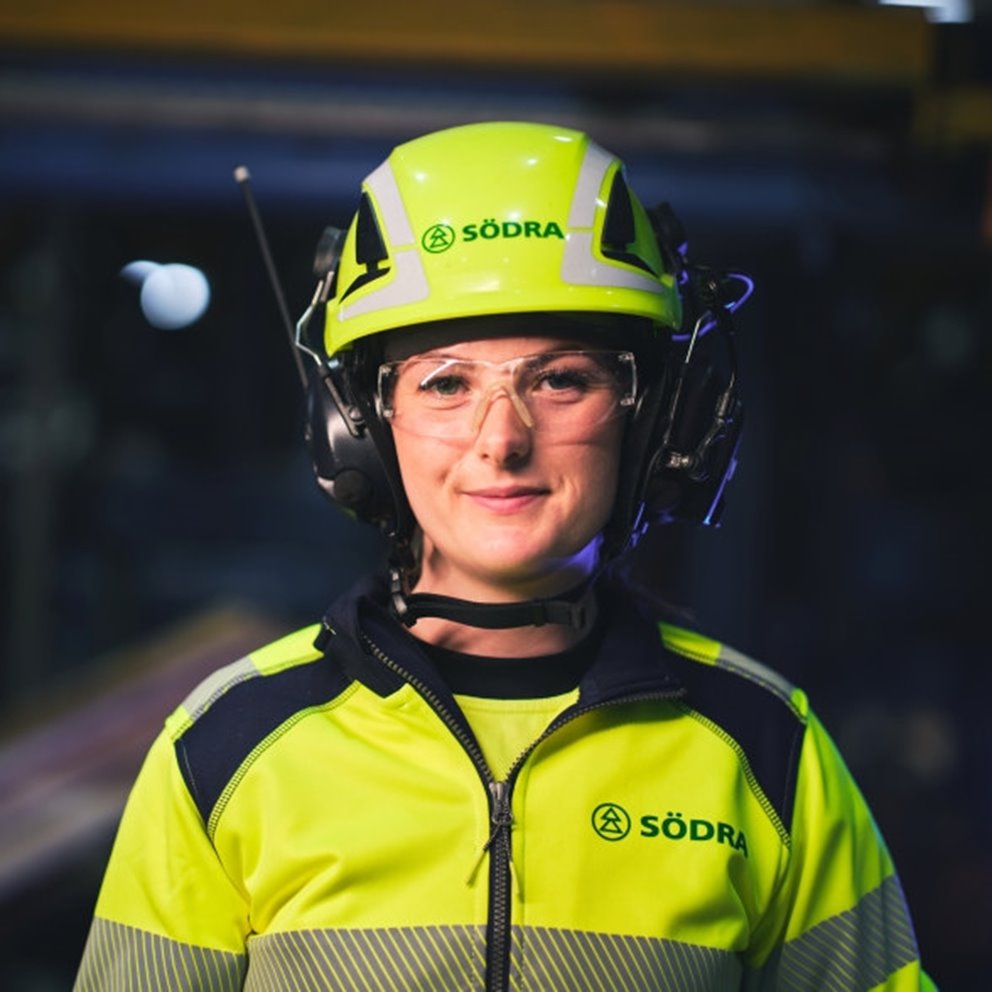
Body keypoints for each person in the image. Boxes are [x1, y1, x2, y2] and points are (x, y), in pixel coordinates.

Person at [74, 121, 935, 991]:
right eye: (446, 383)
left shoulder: (766, 753)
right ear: (358, 427)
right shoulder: (227, 749)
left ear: (658, 418)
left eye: (561, 380)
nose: (502, 441)